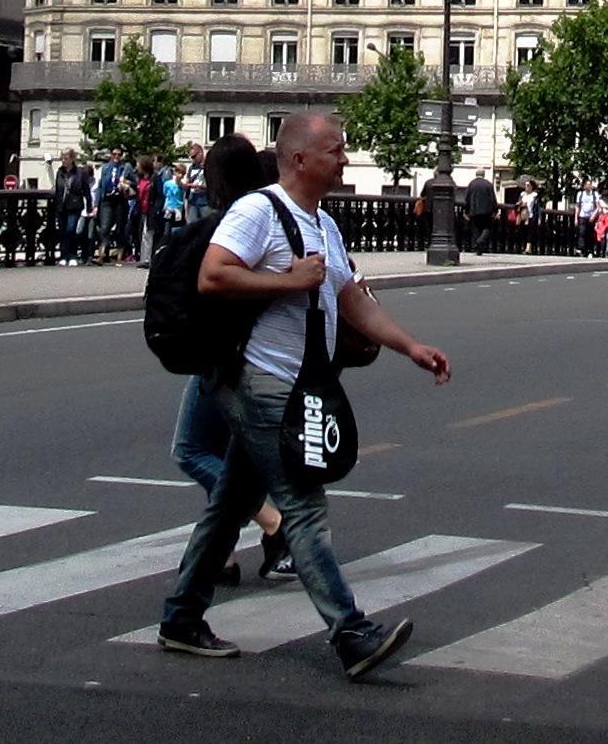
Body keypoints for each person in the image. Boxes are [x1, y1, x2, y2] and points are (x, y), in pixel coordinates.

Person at [157, 107, 454, 675]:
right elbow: (213, 274)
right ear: (299, 159)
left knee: (231, 503)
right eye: (335, 151)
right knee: (303, 504)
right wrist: (285, 280)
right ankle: (352, 633)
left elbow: (350, 299)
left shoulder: (324, 224)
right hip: (258, 378)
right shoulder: (258, 211)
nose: (344, 159)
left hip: (297, 381)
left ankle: (181, 618)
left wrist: (409, 346)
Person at [171, 133, 290, 585]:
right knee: (231, 456)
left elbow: (211, 285)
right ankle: (217, 557)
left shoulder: (232, 225)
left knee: (191, 450)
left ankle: (275, 523)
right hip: (265, 356)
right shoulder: (275, 217)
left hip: (226, 354)